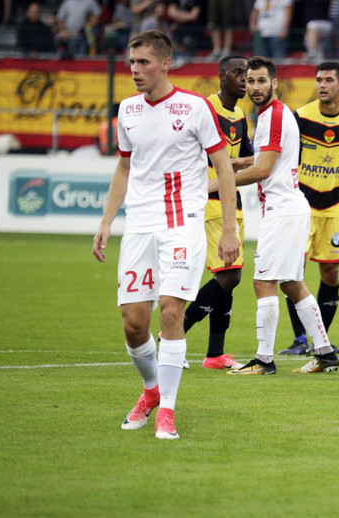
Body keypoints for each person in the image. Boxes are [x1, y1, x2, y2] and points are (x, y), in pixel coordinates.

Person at [92, 30, 240, 440]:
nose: (135, 70)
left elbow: (224, 168)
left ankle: (167, 413)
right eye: (132, 62)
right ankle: (152, 390)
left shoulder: (194, 108)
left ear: (166, 63)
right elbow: (124, 167)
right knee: (133, 324)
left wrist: (229, 229)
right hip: (139, 225)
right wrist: (106, 221)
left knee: (172, 313)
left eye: (143, 62)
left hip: (182, 223)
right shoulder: (127, 111)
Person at [225, 57, 339, 376]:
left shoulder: (274, 116)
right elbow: (267, 159)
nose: (255, 87)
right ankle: (326, 354)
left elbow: (264, 169)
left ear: (274, 83)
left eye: (262, 81)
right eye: (250, 81)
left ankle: (264, 360)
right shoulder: (271, 116)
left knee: (263, 281)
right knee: (292, 284)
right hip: (290, 207)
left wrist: (218, 180)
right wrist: (239, 162)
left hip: (283, 210)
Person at [278, 62, 339, 356]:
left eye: (328, 80)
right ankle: (300, 339)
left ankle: (321, 339)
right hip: (301, 206)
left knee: (331, 273)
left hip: (333, 207)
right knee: (294, 271)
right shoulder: (299, 117)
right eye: (318, 80)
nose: (322, 85)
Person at [177, 55, 252, 371]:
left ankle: (214, 354)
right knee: (229, 275)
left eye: (246, 74)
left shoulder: (240, 115)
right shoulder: (204, 108)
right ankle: (173, 333)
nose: (244, 79)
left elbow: (247, 156)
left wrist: (239, 164)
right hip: (208, 203)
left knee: (228, 277)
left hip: (231, 202)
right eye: (238, 73)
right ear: (221, 76)